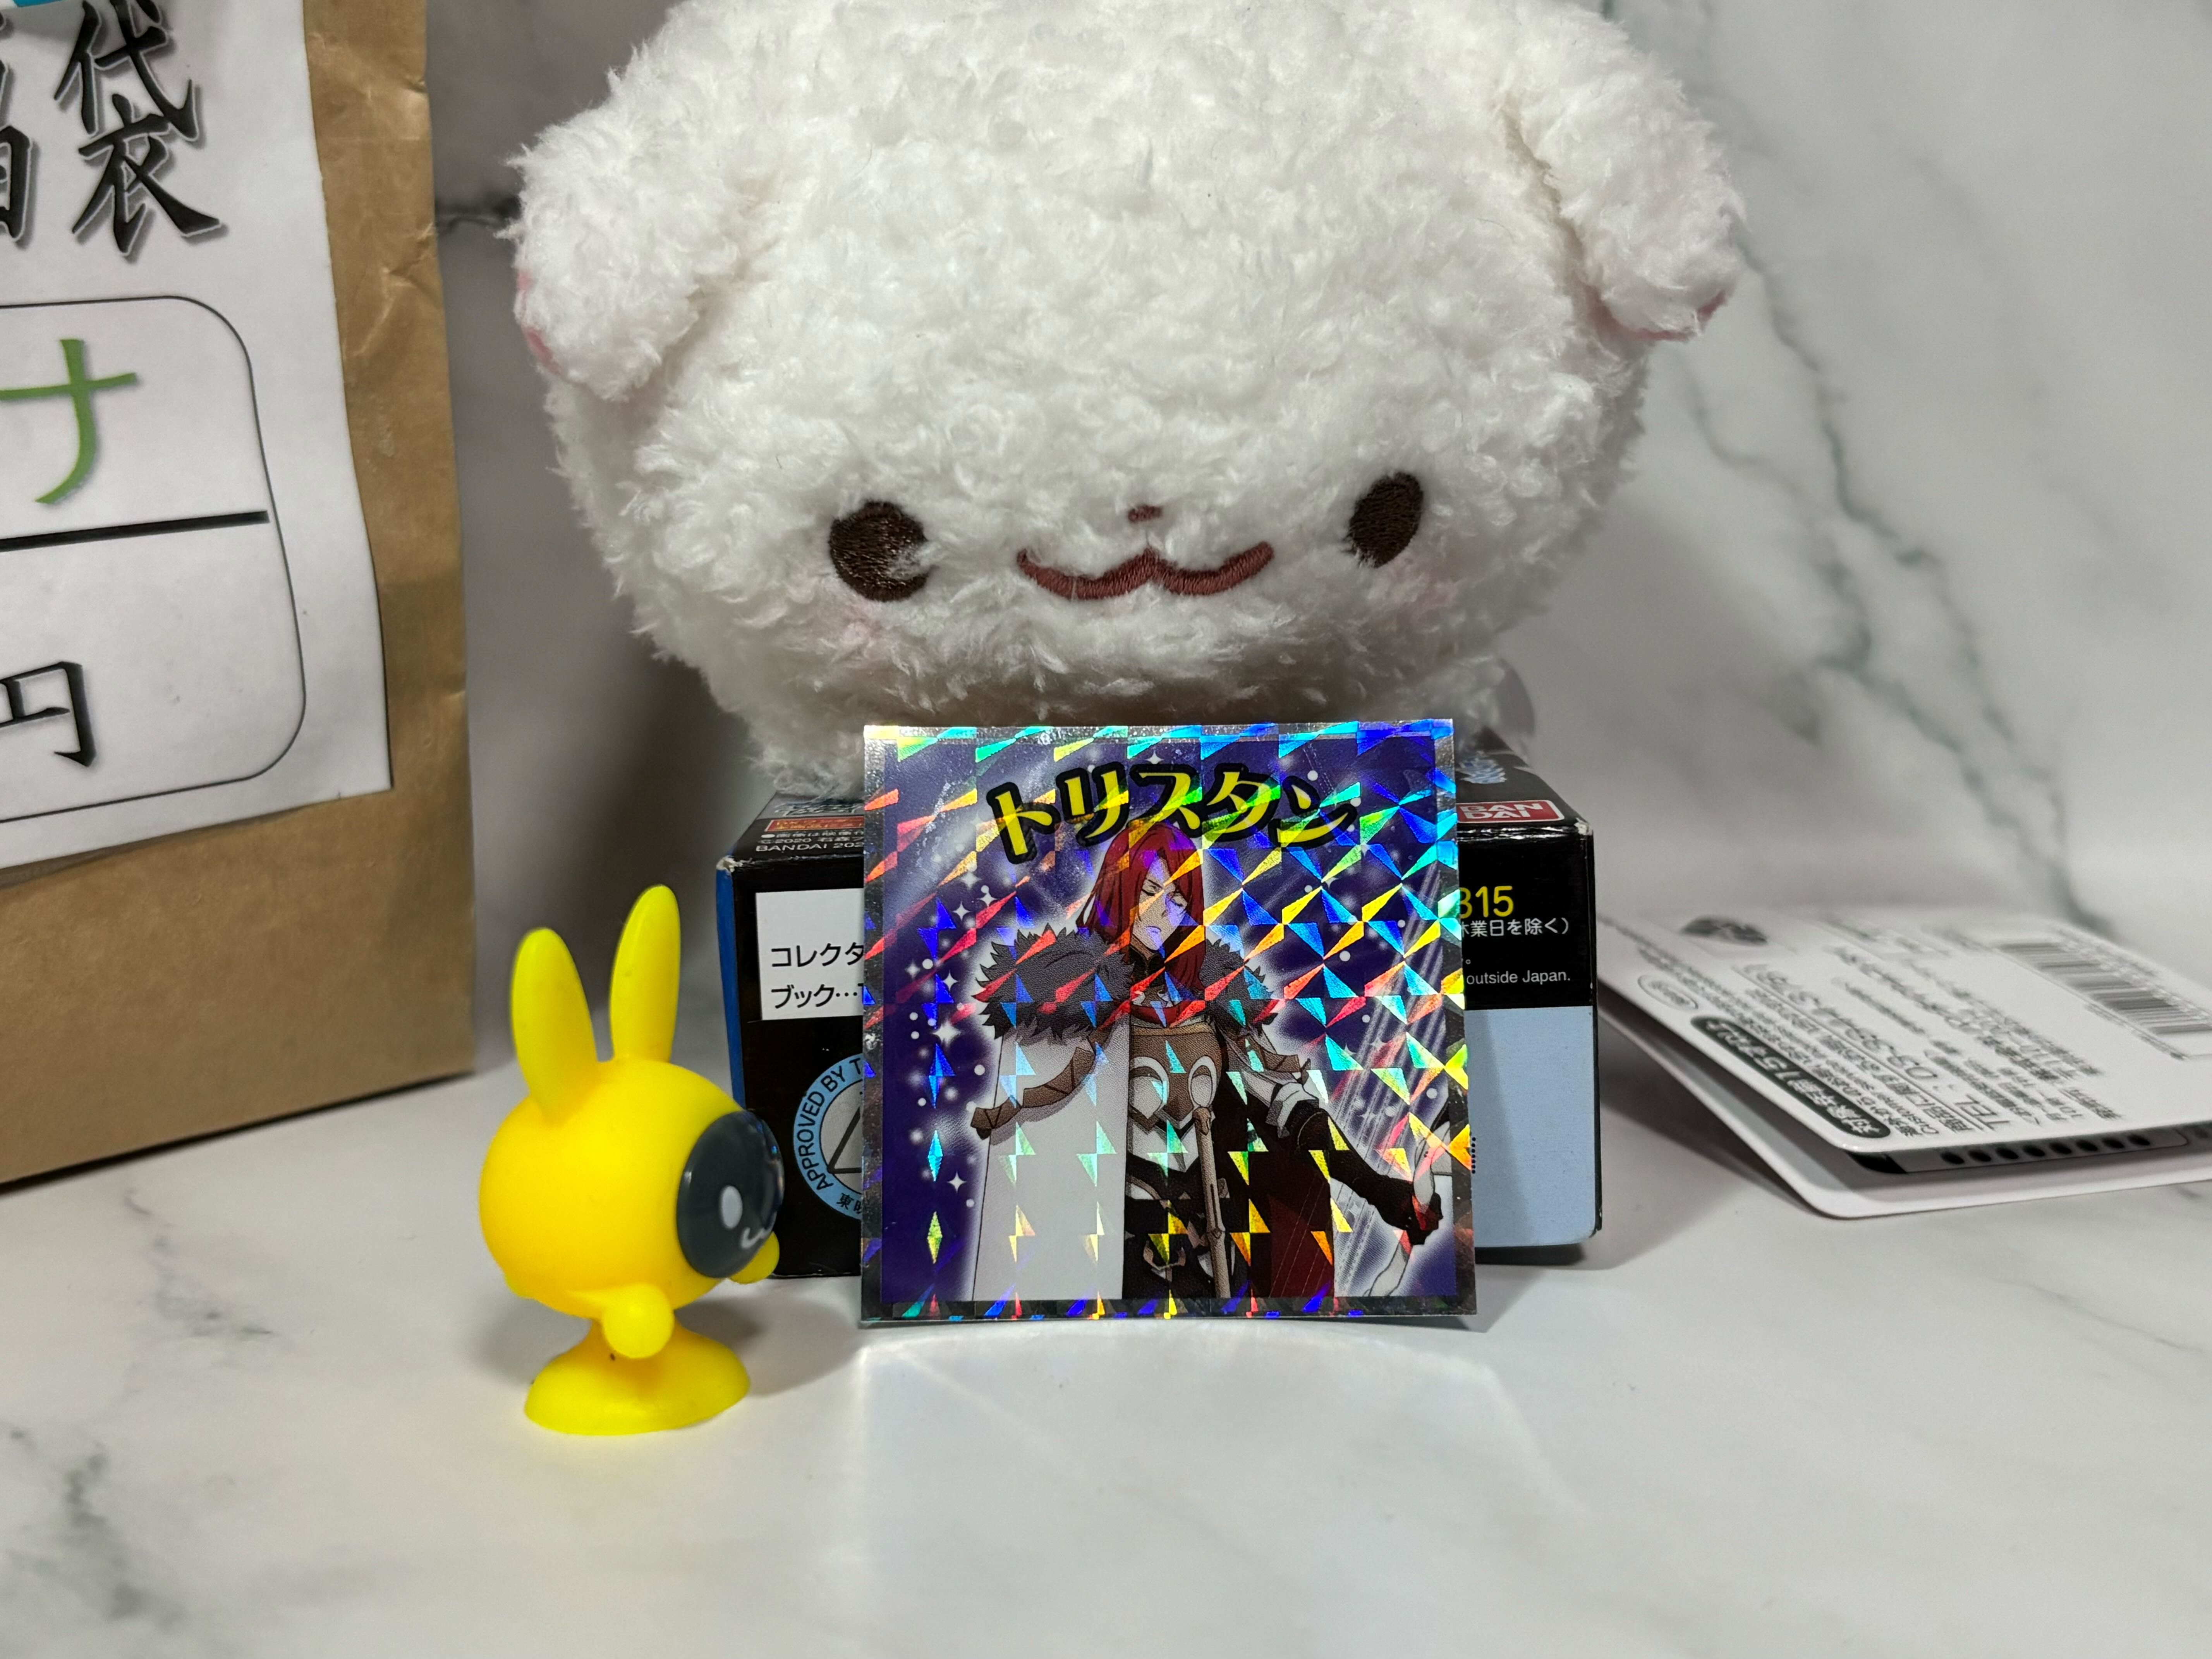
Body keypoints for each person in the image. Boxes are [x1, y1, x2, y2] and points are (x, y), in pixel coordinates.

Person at [969, 817, 1439, 1302]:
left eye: (1178, 899)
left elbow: (1290, 1109)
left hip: (1209, 1234)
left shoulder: (1211, 1002)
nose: (1163, 912)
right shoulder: (1075, 1000)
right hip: (1111, 1240)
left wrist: (1376, 1187)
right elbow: (1048, 1128)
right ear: (1119, 888)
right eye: (1150, 891)